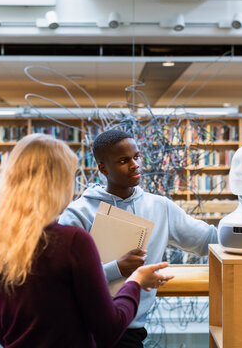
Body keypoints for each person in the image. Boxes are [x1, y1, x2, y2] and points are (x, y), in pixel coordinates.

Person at [0, 133, 174, 348]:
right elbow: (110, 329)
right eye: (70, 176)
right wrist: (135, 282)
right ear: (56, 185)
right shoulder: (72, 242)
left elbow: (1, 332)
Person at [58, 129, 219, 348]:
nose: (135, 165)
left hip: (129, 330)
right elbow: (62, 279)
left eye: (137, 157)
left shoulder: (160, 207)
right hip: (82, 330)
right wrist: (117, 269)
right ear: (103, 168)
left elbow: (208, 240)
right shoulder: (78, 213)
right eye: (124, 160)